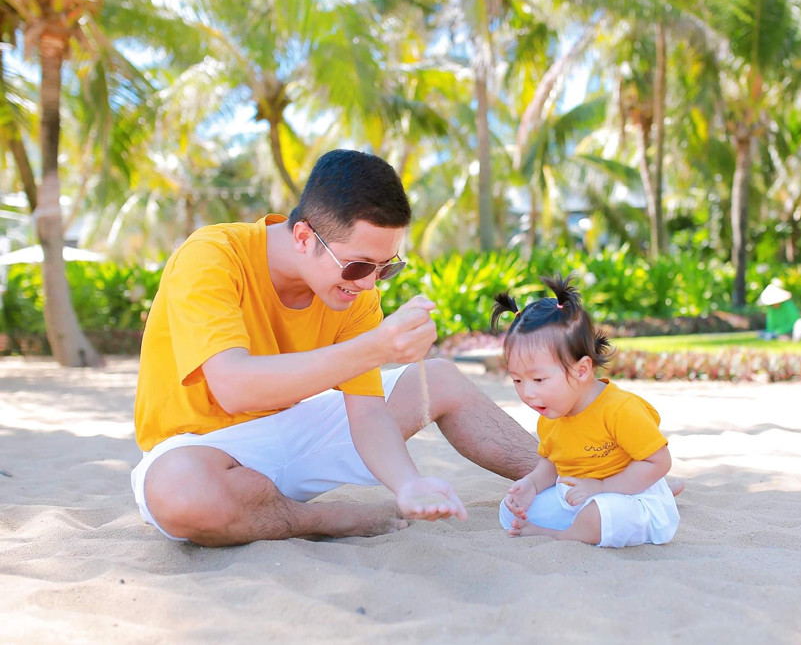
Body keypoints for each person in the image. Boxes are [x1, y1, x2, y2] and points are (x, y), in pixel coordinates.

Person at [131, 149, 539, 547]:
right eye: (358, 265)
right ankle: (325, 520)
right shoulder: (212, 256)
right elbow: (233, 387)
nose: (369, 283)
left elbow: (367, 413)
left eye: (386, 267)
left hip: (294, 435)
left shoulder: (355, 291)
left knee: (440, 379)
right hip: (200, 448)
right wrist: (375, 348)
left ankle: (563, 474)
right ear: (303, 237)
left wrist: (407, 483)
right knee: (181, 494)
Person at [490, 275, 681, 548]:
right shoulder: (551, 414)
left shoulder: (619, 410)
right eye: (517, 380)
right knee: (510, 512)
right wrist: (531, 484)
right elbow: (553, 463)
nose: (527, 393)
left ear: (581, 370)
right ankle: (577, 524)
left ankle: (563, 535)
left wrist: (601, 488)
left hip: (628, 496)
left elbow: (658, 462)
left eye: (538, 379)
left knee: (598, 515)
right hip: (578, 495)